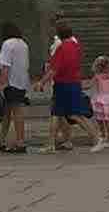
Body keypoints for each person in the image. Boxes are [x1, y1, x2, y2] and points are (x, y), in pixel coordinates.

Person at [39, 22, 104, 154]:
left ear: (59, 35)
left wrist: (41, 82)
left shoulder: (62, 48)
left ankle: (97, 138)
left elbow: (53, 69)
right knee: (56, 113)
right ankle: (50, 144)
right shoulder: (76, 46)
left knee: (73, 114)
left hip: (63, 84)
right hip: (73, 82)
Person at [0, 23, 31, 154]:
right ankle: (1, 140)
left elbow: (5, 66)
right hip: (22, 82)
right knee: (7, 112)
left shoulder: (7, 44)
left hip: (11, 83)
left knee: (15, 112)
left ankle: (20, 142)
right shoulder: (23, 44)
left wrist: (0, 84)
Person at [85, 56, 109, 147]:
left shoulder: (97, 76)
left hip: (100, 100)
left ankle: (104, 137)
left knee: (100, 121)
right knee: (108, 122)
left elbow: (89, 86)